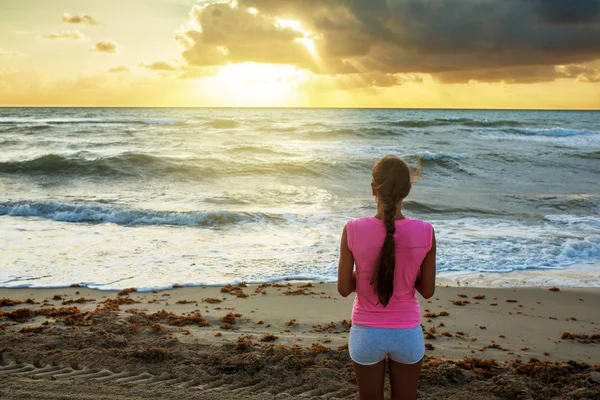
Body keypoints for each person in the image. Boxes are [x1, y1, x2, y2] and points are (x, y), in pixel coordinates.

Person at [337, 154, 436, 400]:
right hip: (407, 334)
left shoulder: (352, 229)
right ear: (407, 190)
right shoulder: (426, 231)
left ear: (373, 189)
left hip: (366, 334)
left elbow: (343, 288)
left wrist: (367, 271)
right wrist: (405, 273)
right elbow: (428, 290)